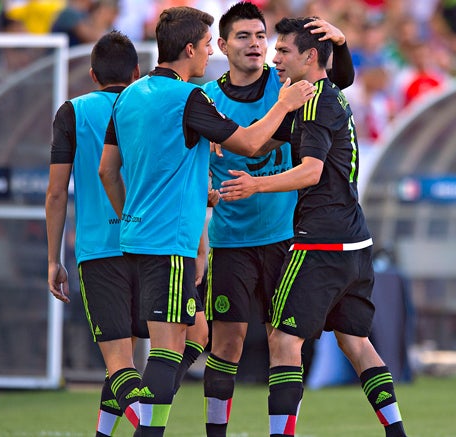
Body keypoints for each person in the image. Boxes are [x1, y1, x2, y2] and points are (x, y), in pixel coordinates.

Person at [98, 7, 315, 436]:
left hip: (134, 239)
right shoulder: (191, 98)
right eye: (210, 43)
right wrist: (286, 105)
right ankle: (146, 431)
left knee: (195, 337)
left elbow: (108, 169)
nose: (210, 53)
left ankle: (117, 427)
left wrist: (132, 214)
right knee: (166, 352)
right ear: (192, 48)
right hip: (170, 244)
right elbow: (252, 144)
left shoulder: (128, 95)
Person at [219, 17, 408, 437]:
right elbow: (263, 142)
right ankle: (397, 431)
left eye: (283, 51)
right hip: (356, 243)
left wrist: (256, 186)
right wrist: (224, 146)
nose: (274, 57)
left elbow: (310, 171)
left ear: (308, 56)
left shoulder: (314, 104)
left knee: (283, 342)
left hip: (319, 244)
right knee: (356, 343)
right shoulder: (330, 95)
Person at [199, 3, 355, 435]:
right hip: (230, 238)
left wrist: (340, 44)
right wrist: (206, 197)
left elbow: (335, 86)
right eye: (244, 36)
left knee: (282, 342)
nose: (256, 44)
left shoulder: (287, 82)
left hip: (286, 238)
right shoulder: (206, 100)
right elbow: (193, 170)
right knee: (226, 344)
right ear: (224, 45)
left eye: (261, 36)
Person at [45, 31, 145, 437]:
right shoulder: (149, 105)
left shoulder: (72, 112)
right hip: (150, 246)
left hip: (98, 252)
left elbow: (56, 193)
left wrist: (54, 259)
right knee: (136, 359)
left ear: (92, 75)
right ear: (137, 72)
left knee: (119, 362)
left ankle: (151, 428)